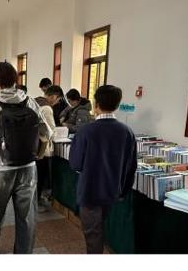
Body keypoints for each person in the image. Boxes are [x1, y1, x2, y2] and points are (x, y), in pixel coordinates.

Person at [0, 61, 53, 254]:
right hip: (28, 167)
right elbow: (47, 132)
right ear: (15, 79)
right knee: (27, 216)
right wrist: (37, 153)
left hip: (1, 168)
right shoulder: (30, 101)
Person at [69, 84, 137, 255]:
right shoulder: (127, 132)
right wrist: (122, 191)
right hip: (114, 191)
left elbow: (75, 164)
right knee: (101, 229)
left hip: (90, 192)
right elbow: (131, 166)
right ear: (117, 105)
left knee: (93, 234)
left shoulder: (85, 131)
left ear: (96, 104)